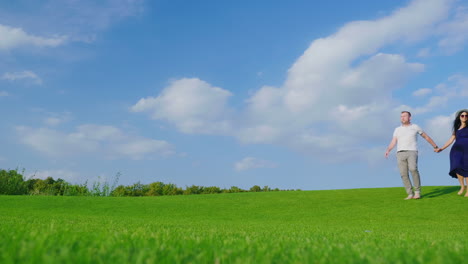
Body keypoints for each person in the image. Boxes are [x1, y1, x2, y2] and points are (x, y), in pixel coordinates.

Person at [385, 111, 438, 200]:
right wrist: (388, 150)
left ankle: (417, 192)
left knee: (413, 169)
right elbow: (394, 141)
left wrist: (435, 146)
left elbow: (426, 136)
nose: (402, 118)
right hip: (400, 153)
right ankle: (410, 193)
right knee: (403, 174)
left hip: (412, 151)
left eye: (405, 116)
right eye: (401, 116)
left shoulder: (415, 127)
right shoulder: (397, 129)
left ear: (410, 118)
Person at [435, 109, 468, 196]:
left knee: (467, 169)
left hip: (467, 151)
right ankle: (462, 186)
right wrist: (441, 148)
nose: (464, 117)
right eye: (462, 115)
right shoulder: (457, 129)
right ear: (459, 117)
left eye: (466, 115)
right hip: (456, 151)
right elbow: (451, 140)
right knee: (457, 167)